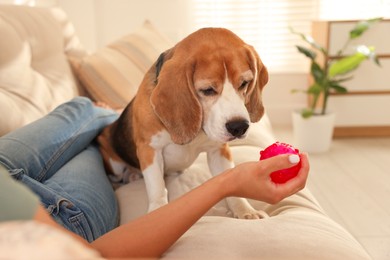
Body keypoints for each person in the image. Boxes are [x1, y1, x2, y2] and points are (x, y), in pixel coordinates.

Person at [0, 97, 309, 259]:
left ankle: (109, 113)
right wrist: (228, 184)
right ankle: (111, 122)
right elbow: (95, 255)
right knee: (94, 148)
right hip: (58, 213)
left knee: (79, 107)